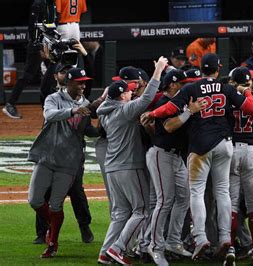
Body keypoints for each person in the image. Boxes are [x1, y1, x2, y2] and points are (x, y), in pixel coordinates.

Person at [142, 53, 253, 266]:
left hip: (201, 145)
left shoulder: (191, 88)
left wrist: (154, 113)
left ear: (201, 69)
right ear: (218, 68)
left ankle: (201, 238)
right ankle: (224, 238)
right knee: (222, 192)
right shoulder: (227, 88)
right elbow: (249, 109)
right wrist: (247, 91)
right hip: (225, 143)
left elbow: (171, 108)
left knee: (196, 192)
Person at [96, 57, 168, 265]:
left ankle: (104, 253)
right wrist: (158, 71)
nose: (131, 93)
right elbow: (146, 99)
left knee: (120, 214)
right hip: (129, 167)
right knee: (142, 210)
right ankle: (117, 249)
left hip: (113, 169)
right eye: (127, 92)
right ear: (120, 96)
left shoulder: (106, 112)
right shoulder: (123, 111)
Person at [27, 67, 96, 258]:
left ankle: (52, 244)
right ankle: (52, 224)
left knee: (56, 205)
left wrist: (104, 131)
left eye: (84, 82)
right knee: (35, 200)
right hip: (47, 156)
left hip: (69, 161)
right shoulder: (53, 98)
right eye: (79, 82)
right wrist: (74, 110)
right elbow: (49, 115)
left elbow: (86, 130)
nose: (83, 85)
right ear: (69, 83)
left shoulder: (87, 103)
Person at [140, 69, 205, 265]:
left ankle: (173, 241)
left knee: (184, 197)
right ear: (173, 85)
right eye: (183, 84)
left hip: (177, 157)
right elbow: (169, 126)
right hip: (161, 154)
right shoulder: (165, 103)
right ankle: (154, 246)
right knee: (164, 201)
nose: (188, 86)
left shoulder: (184, 101)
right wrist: (189, 112)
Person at [227, 67, 253, 264]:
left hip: (231, 150)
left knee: (232, 204)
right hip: (252, 151)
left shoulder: (227, 100)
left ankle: (231, 247)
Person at [2, 0, 55, 119]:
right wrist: (39, 45)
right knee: (28, 75)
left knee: (54, 71)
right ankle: (10, 104)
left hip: (48, 42)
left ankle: (52, 104)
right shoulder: (39, 3)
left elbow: (51, 25)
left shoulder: (51, 4)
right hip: (38, 44)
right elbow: (33, 26)